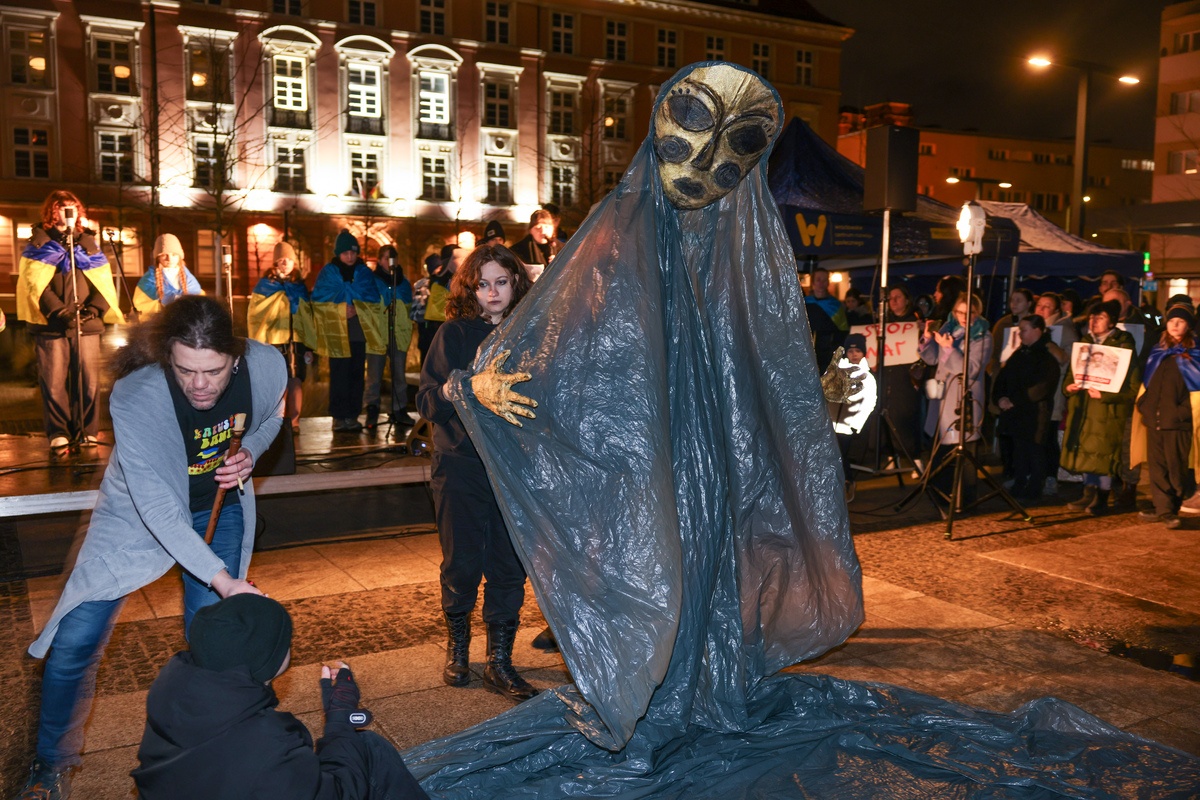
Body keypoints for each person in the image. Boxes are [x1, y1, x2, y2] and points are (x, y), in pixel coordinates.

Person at [12, 296, 286, 800]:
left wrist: (250, 451)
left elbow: (271, 417)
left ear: (235, 357)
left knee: (212, 642)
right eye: (185, 370)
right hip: (137, 514)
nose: (199, 385)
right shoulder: (137, 394)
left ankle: (207, 755)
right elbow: (159, 511)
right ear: (167, 357)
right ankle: (50, 763)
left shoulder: (266, 365)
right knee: (75, 640)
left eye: (213, 371)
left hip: (218, 507)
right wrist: (225, 581)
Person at [132, 594, 429, 800]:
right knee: (369, 749)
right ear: (268, 657)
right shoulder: (264, 742)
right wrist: (340, 722)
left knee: (363, 747)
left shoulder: (171, 697)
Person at [415, 244, 538, 703]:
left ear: (516, 283)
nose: (492, 292)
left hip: (513, 469)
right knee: (461, 562)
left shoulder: (531, 333)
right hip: (460, 466)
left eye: (501, 282)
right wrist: (460, 387)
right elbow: (426, 402)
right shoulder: (453, 333)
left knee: (509, 566)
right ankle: (459, 648)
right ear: (470, 289)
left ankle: (500, 662)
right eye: (483, 284)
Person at [16, 190, 123, 455]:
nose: (68, 211)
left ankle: (87, 431)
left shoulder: (88, 244)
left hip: (87, 324)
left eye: (72, 206)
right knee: (53, 381)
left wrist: (94, 309)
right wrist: (60, 312)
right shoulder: (39, 244)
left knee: (88, 381)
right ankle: (59, 433)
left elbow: (103, 282)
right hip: (51, 326)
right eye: (61, 207)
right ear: (51, 212)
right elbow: (34, 284)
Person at [1062, 299, 1140, 516]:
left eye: (1100, 317)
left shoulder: (1123, 347)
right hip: (1084, 409)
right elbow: (1071, 373)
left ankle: (1103, 496)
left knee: (1103, 454)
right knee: (1086, 451)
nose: (1094, 321)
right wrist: (1068, 387)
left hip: (1107, 411)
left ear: (1112, 322)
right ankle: (1089, 491)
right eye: (1092, 317)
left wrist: (1105, 396)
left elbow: (1133, 388)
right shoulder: (1085, 343)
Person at [1130, 305, 1200, 528]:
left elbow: (1196, 392)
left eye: (1181, 321)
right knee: (1157, 468)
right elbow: (1147, 383)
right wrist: (1145, 406)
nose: (1175, 325)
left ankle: (1171, 505)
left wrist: (1181, 413)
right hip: (1155, 420)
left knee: (1176, 468)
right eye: (1171, 320)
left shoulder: (1195, 354)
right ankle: (1165, 510)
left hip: (1178, 423)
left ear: (1188, 325)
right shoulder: (1158, 352)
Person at [919, 293, 992, 502]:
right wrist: (928, 338)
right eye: (960, 312)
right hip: (942, 397)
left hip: (963, 398)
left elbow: (970, 370)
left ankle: (964, 499)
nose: (964, 317)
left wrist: (948, 348)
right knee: (941, 446)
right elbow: (932, 359)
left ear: (978, 313)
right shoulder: (949, 328)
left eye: (970, 313)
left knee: (964, 447)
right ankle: (941, 493)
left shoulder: (983, 336)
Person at [311, 231, 386, 433]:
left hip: (358, 332)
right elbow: (318, 300)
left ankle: (352, 416)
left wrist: (358, 308)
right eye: (345, 253)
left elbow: (373, 298)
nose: (350, 257)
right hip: (337, 331)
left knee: (356, 374)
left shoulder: (364, 273)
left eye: (353, 253)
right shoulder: (329, 273)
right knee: (339, 374)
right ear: (338, 253)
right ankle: (338, 416)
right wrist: (340, 309)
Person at [992, 315, 1062, 503]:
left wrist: (1014, 400)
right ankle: (1020, 481)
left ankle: (1034, 487)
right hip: (1017, 411)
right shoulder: (1020, 354)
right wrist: (1000, 397)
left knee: (1034, 449)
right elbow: (1003, 378)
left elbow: (1042, 387)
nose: (1020, 334)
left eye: (1024, 330)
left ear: (1037, 330)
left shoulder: (1046, 357)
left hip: (1035, 412)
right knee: (1019, 449)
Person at [247, 242, 313, 434]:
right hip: (274, 342)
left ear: (294, 263)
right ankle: (277, 422)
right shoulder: (265, 286)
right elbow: (256, 315)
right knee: (277, 382)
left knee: (296, 380)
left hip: (296, 341)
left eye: (289, 260)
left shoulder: (299, 286)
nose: (285, 263)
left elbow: (308, 317)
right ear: (275, 262)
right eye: (281, 260)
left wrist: (309, 344)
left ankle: (294, 422)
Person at [364, 244, 414, 433]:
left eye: (393, 258)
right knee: (374, 376)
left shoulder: (403, 282)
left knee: (399, 375)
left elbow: (408, 306)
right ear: (379, 260)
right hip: (377, 334)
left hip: (398, 334)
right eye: (386, 258)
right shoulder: (372, 281)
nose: (390, 262)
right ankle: (372, 410)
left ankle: (399, 409)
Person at [1034, 291, 1078, 495]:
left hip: (1054, 390)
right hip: (1035, 390)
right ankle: (1034, 474)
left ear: (1056, 311)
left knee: (1049, 434)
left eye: (1047, 307)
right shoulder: (1032, 327)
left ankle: (1051, 476)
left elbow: (1070, 359)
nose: (1041, 310)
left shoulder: (1064, 330)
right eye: (1039, 305)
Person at [882, 284, 924, 474]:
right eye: (890, 297)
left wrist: (922, 331)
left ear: (907, 300)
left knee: (907, 416)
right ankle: (892, 454)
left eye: (898, 297)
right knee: (886, 413)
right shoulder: (885, 321)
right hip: (887, 375)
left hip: (907, 377)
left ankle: (915, 458)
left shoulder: (915, 321)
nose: (893, 301)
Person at [831, 333, 877, 497]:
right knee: (834, 455)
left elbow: (870, 402)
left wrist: (856, 424)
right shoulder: (836, 371)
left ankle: (847, 482)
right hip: (831, 423)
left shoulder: (867, 377)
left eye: (858, 350)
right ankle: (838, 485)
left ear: (863, 352)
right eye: (851, 351)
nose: (854, 354)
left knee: (841, 455)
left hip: (848, 425)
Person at [133, 233, 204, 316]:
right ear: (158, 258)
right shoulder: (148, 281)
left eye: (174, 254)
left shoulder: (190, 280)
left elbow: (199, 301)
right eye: (164, 255)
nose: (169, 259)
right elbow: (142, 307)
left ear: (179, 256)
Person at [804, 267, 848, 370]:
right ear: (813, 283)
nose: (821, 283)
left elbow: (843, 331)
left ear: (828, 283)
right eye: (818, 280)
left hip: (827, 354)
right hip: (806, 351)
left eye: (824, 280)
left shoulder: (835, 305)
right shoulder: (803, 303)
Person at [509, 209, 561, 280]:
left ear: (553, 228)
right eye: (538, 228)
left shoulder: (563, 249)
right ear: (530, 231)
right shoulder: (517, 251)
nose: (543, 231)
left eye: (547, 227)